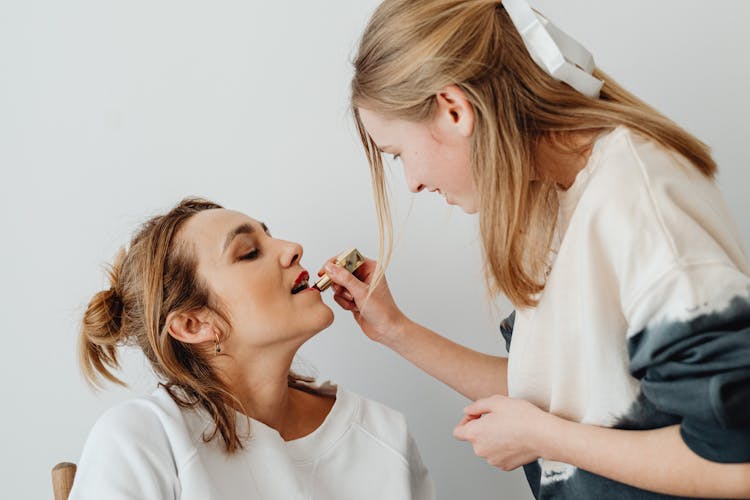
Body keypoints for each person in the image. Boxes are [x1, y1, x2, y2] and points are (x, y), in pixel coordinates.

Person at [318, 0, 750, 498]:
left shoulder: (638, 206)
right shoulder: (551, 195)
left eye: (398, 155)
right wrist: (397, 331)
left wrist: (545, 438)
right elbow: (565, 392)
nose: (412, 183)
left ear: (454, 110)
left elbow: (735, 460)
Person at [69, 198, 434, 500]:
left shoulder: (385, 436)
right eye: (248, 253)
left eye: (270, 236)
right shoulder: (143, 439)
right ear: (194, 324)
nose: (293, 249)